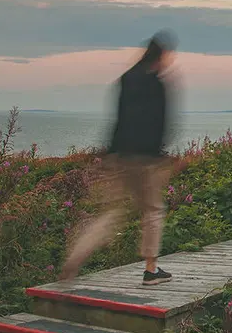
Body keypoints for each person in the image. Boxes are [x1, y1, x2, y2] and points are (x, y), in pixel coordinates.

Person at [62, 32, 177, 286]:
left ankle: (75, 258)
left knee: (111, 212)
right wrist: (161, 156)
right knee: (153, 210)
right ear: (160, 56)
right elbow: (161, 123)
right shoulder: (157, 84)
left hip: (120, 157)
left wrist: (109, 155)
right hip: (146, 160)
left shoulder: (127, 78)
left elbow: (118, 120)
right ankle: (151, 270)